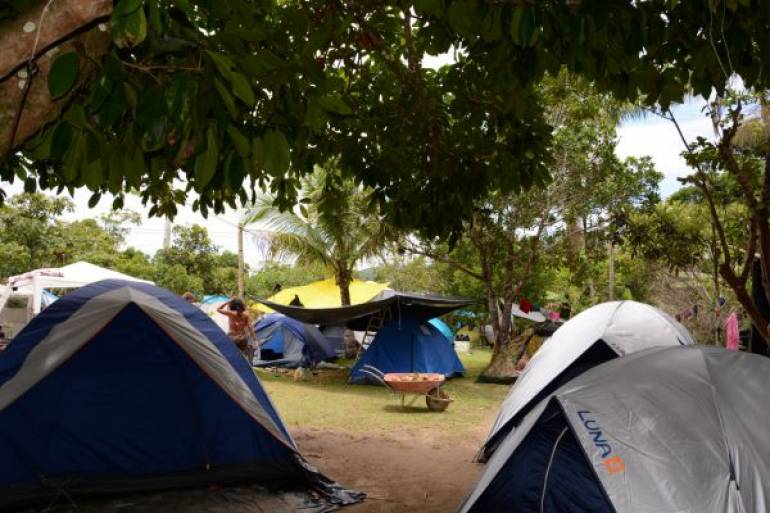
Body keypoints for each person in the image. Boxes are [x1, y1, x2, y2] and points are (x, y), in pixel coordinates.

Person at [217, 298, 259, 362]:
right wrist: (228, 301)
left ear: (242, 309)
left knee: (242, 356)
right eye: (238, 310)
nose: (239, 312)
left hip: (241, 339)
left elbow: (250, 328)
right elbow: (218, 309)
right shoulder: (231, 313)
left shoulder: (245, 316)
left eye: (241, 310)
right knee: (231, 356)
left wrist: (255, 340)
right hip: (232, 337)